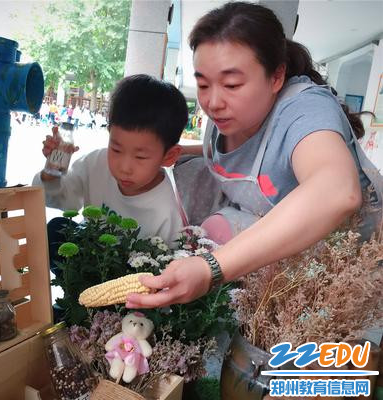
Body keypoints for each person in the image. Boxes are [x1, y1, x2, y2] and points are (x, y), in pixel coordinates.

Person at [126, 2, 382, 309]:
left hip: (344, 275)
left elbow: (337, 192)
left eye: (232, 84)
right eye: (203, 83)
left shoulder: (304, 109)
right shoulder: (228, 114)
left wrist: (211, 267)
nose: (213, 102)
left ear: (276, 77)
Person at [33, 74, 189, 254]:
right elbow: (64, 202)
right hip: (87, 258)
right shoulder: (96, 163)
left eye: (140, 157)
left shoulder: (167, 212)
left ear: (169, 156)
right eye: (116, 149)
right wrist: (52, 172)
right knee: (56, 229)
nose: (124, 167)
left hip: (130, 276)